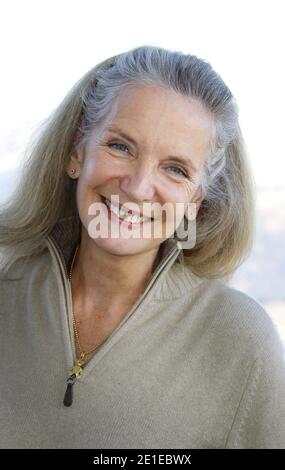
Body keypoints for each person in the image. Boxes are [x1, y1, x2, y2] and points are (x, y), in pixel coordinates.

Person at [0, 45, 284, 449]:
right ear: (77, 150)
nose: (136, 187)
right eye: (120, 146)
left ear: (196, 201)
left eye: (175, 169)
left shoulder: (240, 344)